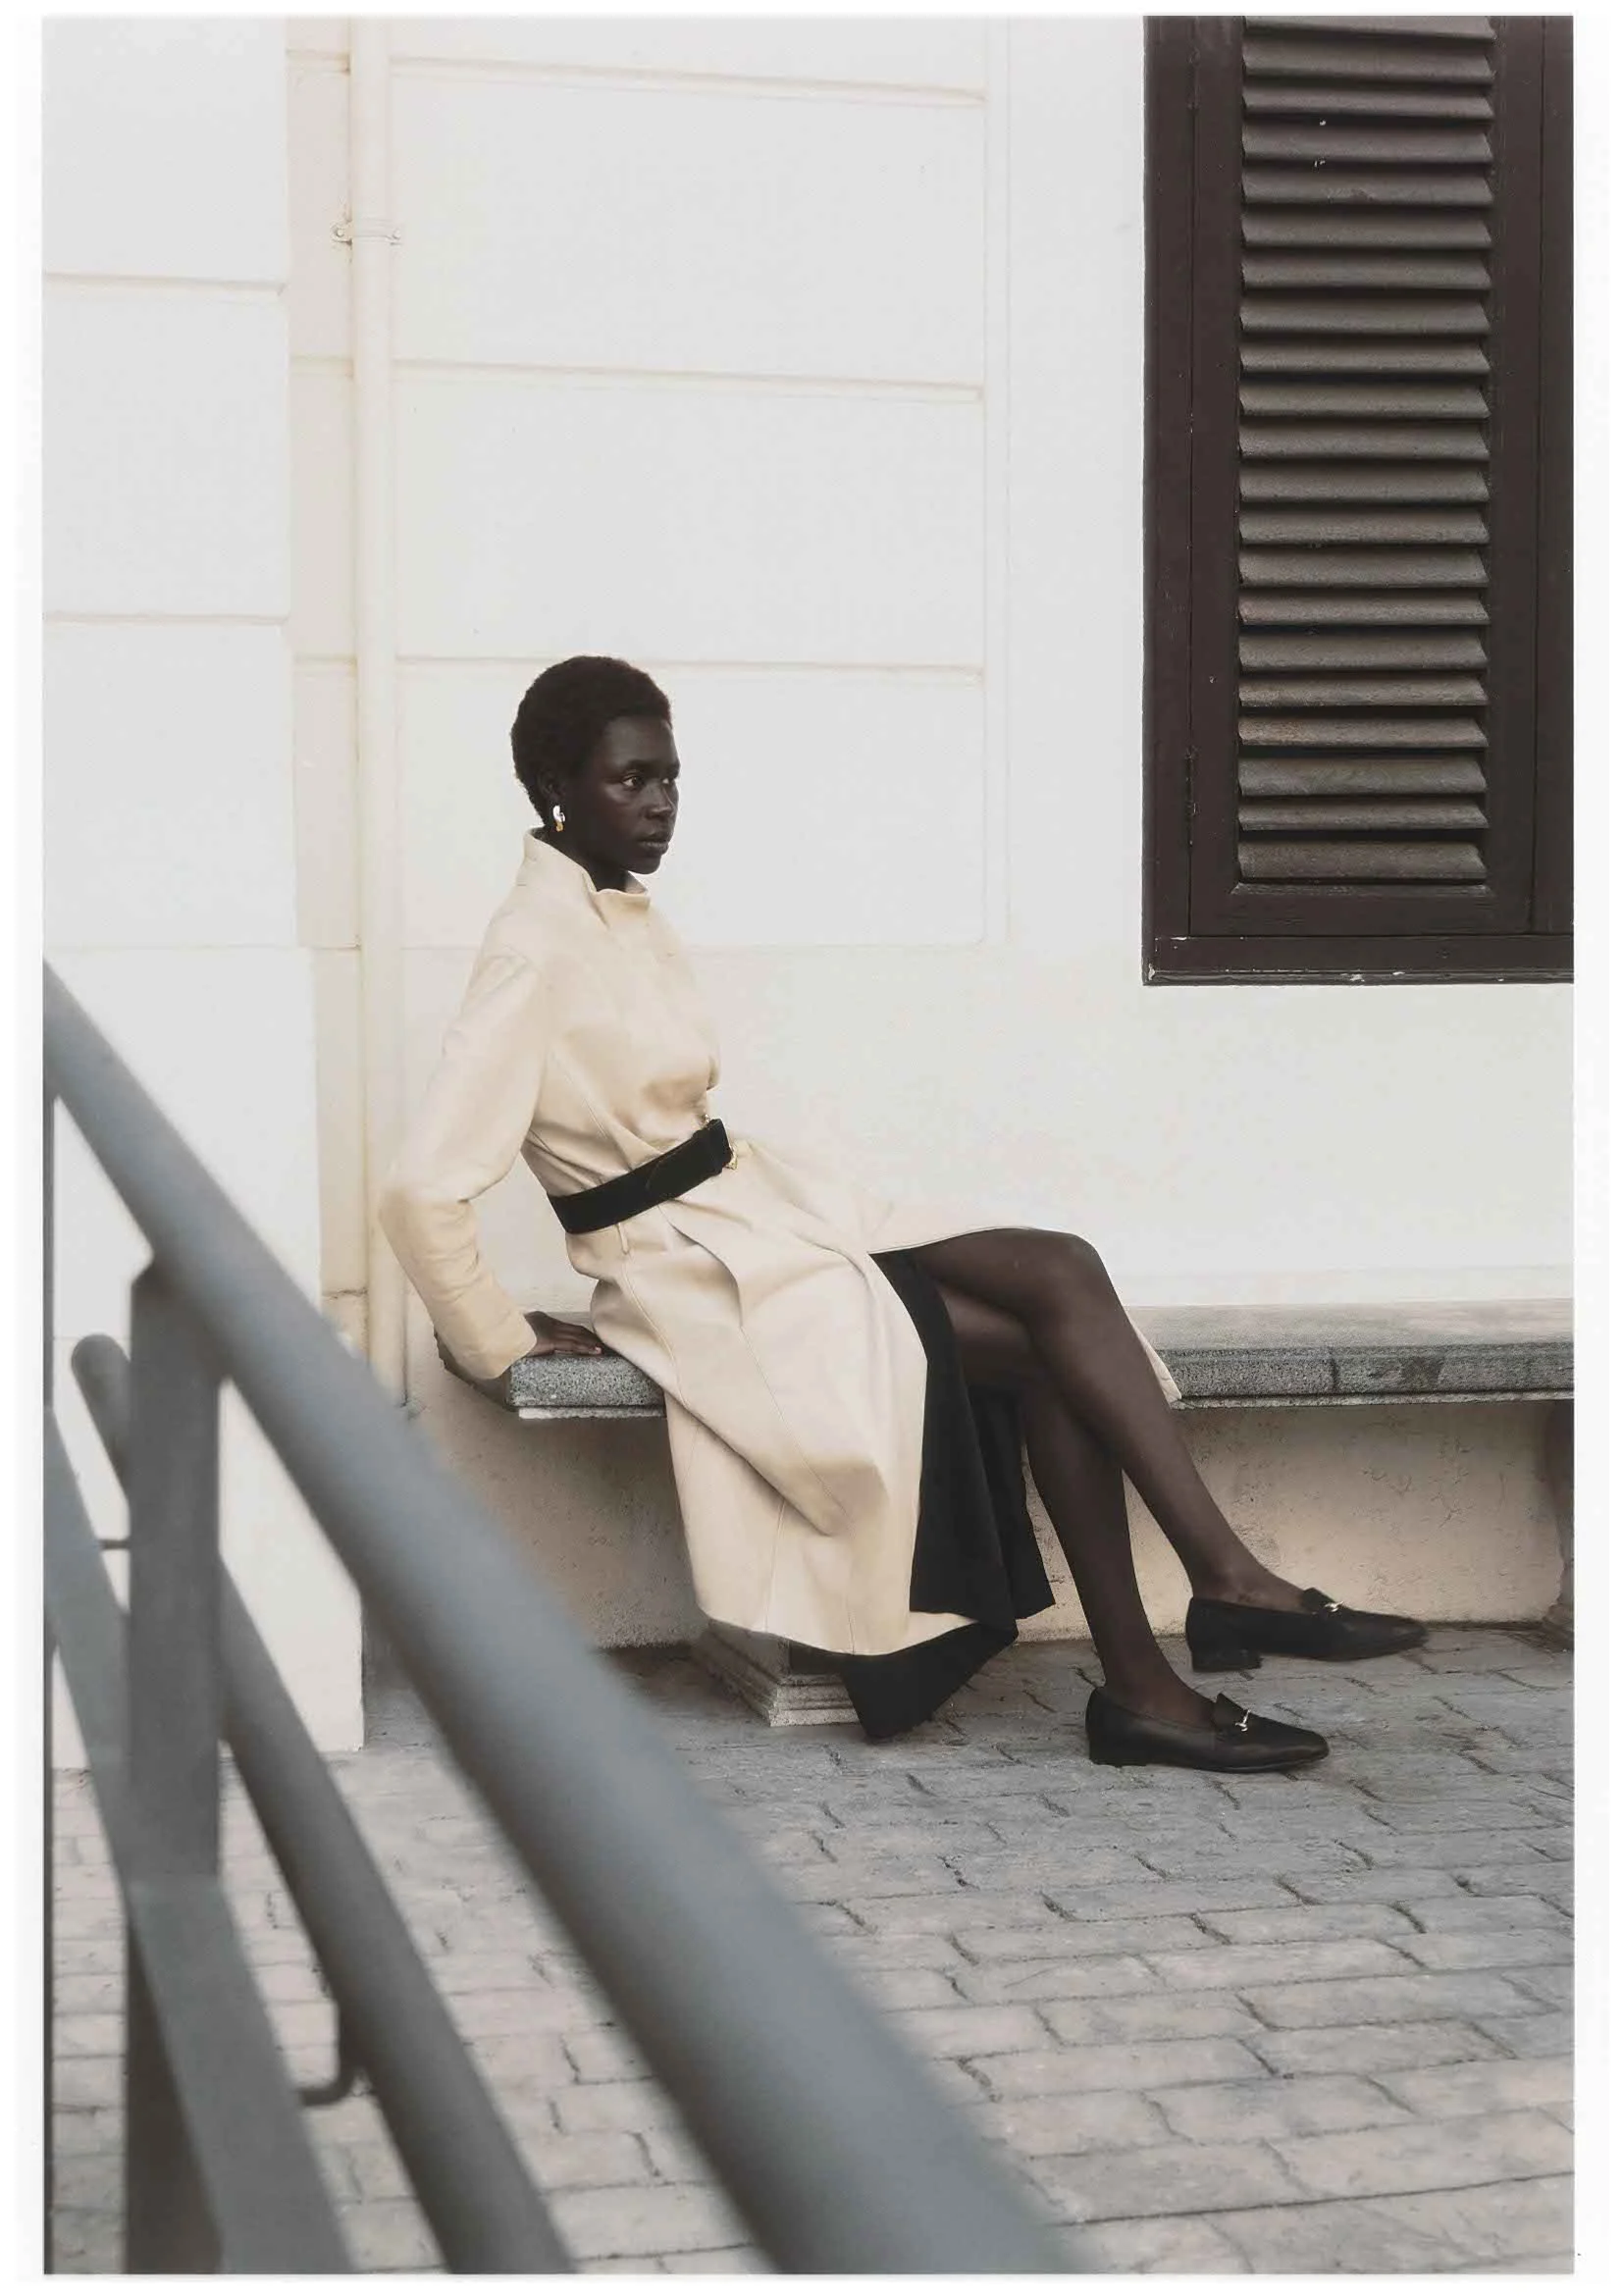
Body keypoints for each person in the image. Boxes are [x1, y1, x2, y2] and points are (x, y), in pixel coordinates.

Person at [381, 656, 1426, 1775]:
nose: (661, 804)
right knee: (1048, 1353)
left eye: (671, 778)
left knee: (1062, 1268)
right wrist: (498, 1339)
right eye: (630, 780)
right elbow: (419, 1187)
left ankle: (1220, 1587)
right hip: (690, 1268)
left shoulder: (615, 912)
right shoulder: (533, 947)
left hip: (759, 1207)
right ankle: (1154, 1677)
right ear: (556, 788)